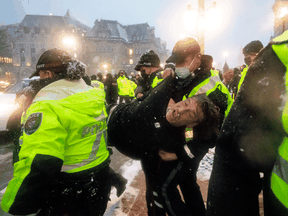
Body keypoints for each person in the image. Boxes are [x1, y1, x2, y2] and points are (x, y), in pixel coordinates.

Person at [1, 48, 112, 216]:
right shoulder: (93, 95)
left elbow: (40, 163)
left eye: (40, 75)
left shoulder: (47, 104)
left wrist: (13, 207)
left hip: (66, 195)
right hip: (97, 186)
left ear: (47, 74)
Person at [206, 32, 288, 216]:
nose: (248, 61)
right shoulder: (267, 63)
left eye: (249, 56)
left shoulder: (273, 64)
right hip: (278, 187)